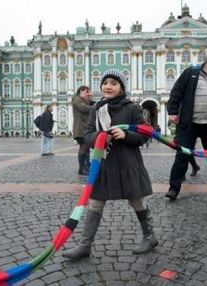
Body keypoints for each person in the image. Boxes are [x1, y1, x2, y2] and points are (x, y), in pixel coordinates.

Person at [63, 69, 158, 260]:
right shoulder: (96, 109)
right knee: (96, 203)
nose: (108, 86)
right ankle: (85, 245)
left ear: (121, 88)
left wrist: (127, 135)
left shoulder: (132, 108)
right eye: (105, 83)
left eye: (114, 83)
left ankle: (150, 236)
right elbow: (88, 134)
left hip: (127, 164)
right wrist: (99, 137)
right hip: (104, 165)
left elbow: (145, 134)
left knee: (136, 200)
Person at [165, 52, 207, 199]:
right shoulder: (191, 73)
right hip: (190, 124)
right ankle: (173, 189)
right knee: (182, 155)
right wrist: (173, 111)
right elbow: (176, 91)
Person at [72, 85, 94, 175]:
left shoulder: (84, 100)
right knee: (83, 147)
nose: (88, 94)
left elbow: (89, 105)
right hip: (80, 128)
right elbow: (83, 108)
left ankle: (86, 165)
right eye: (86, 92)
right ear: (81, 91)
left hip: (85, 128)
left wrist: (89, 98)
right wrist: (94, 107)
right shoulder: (76, 99)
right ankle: (81, 168)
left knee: (87, 147)